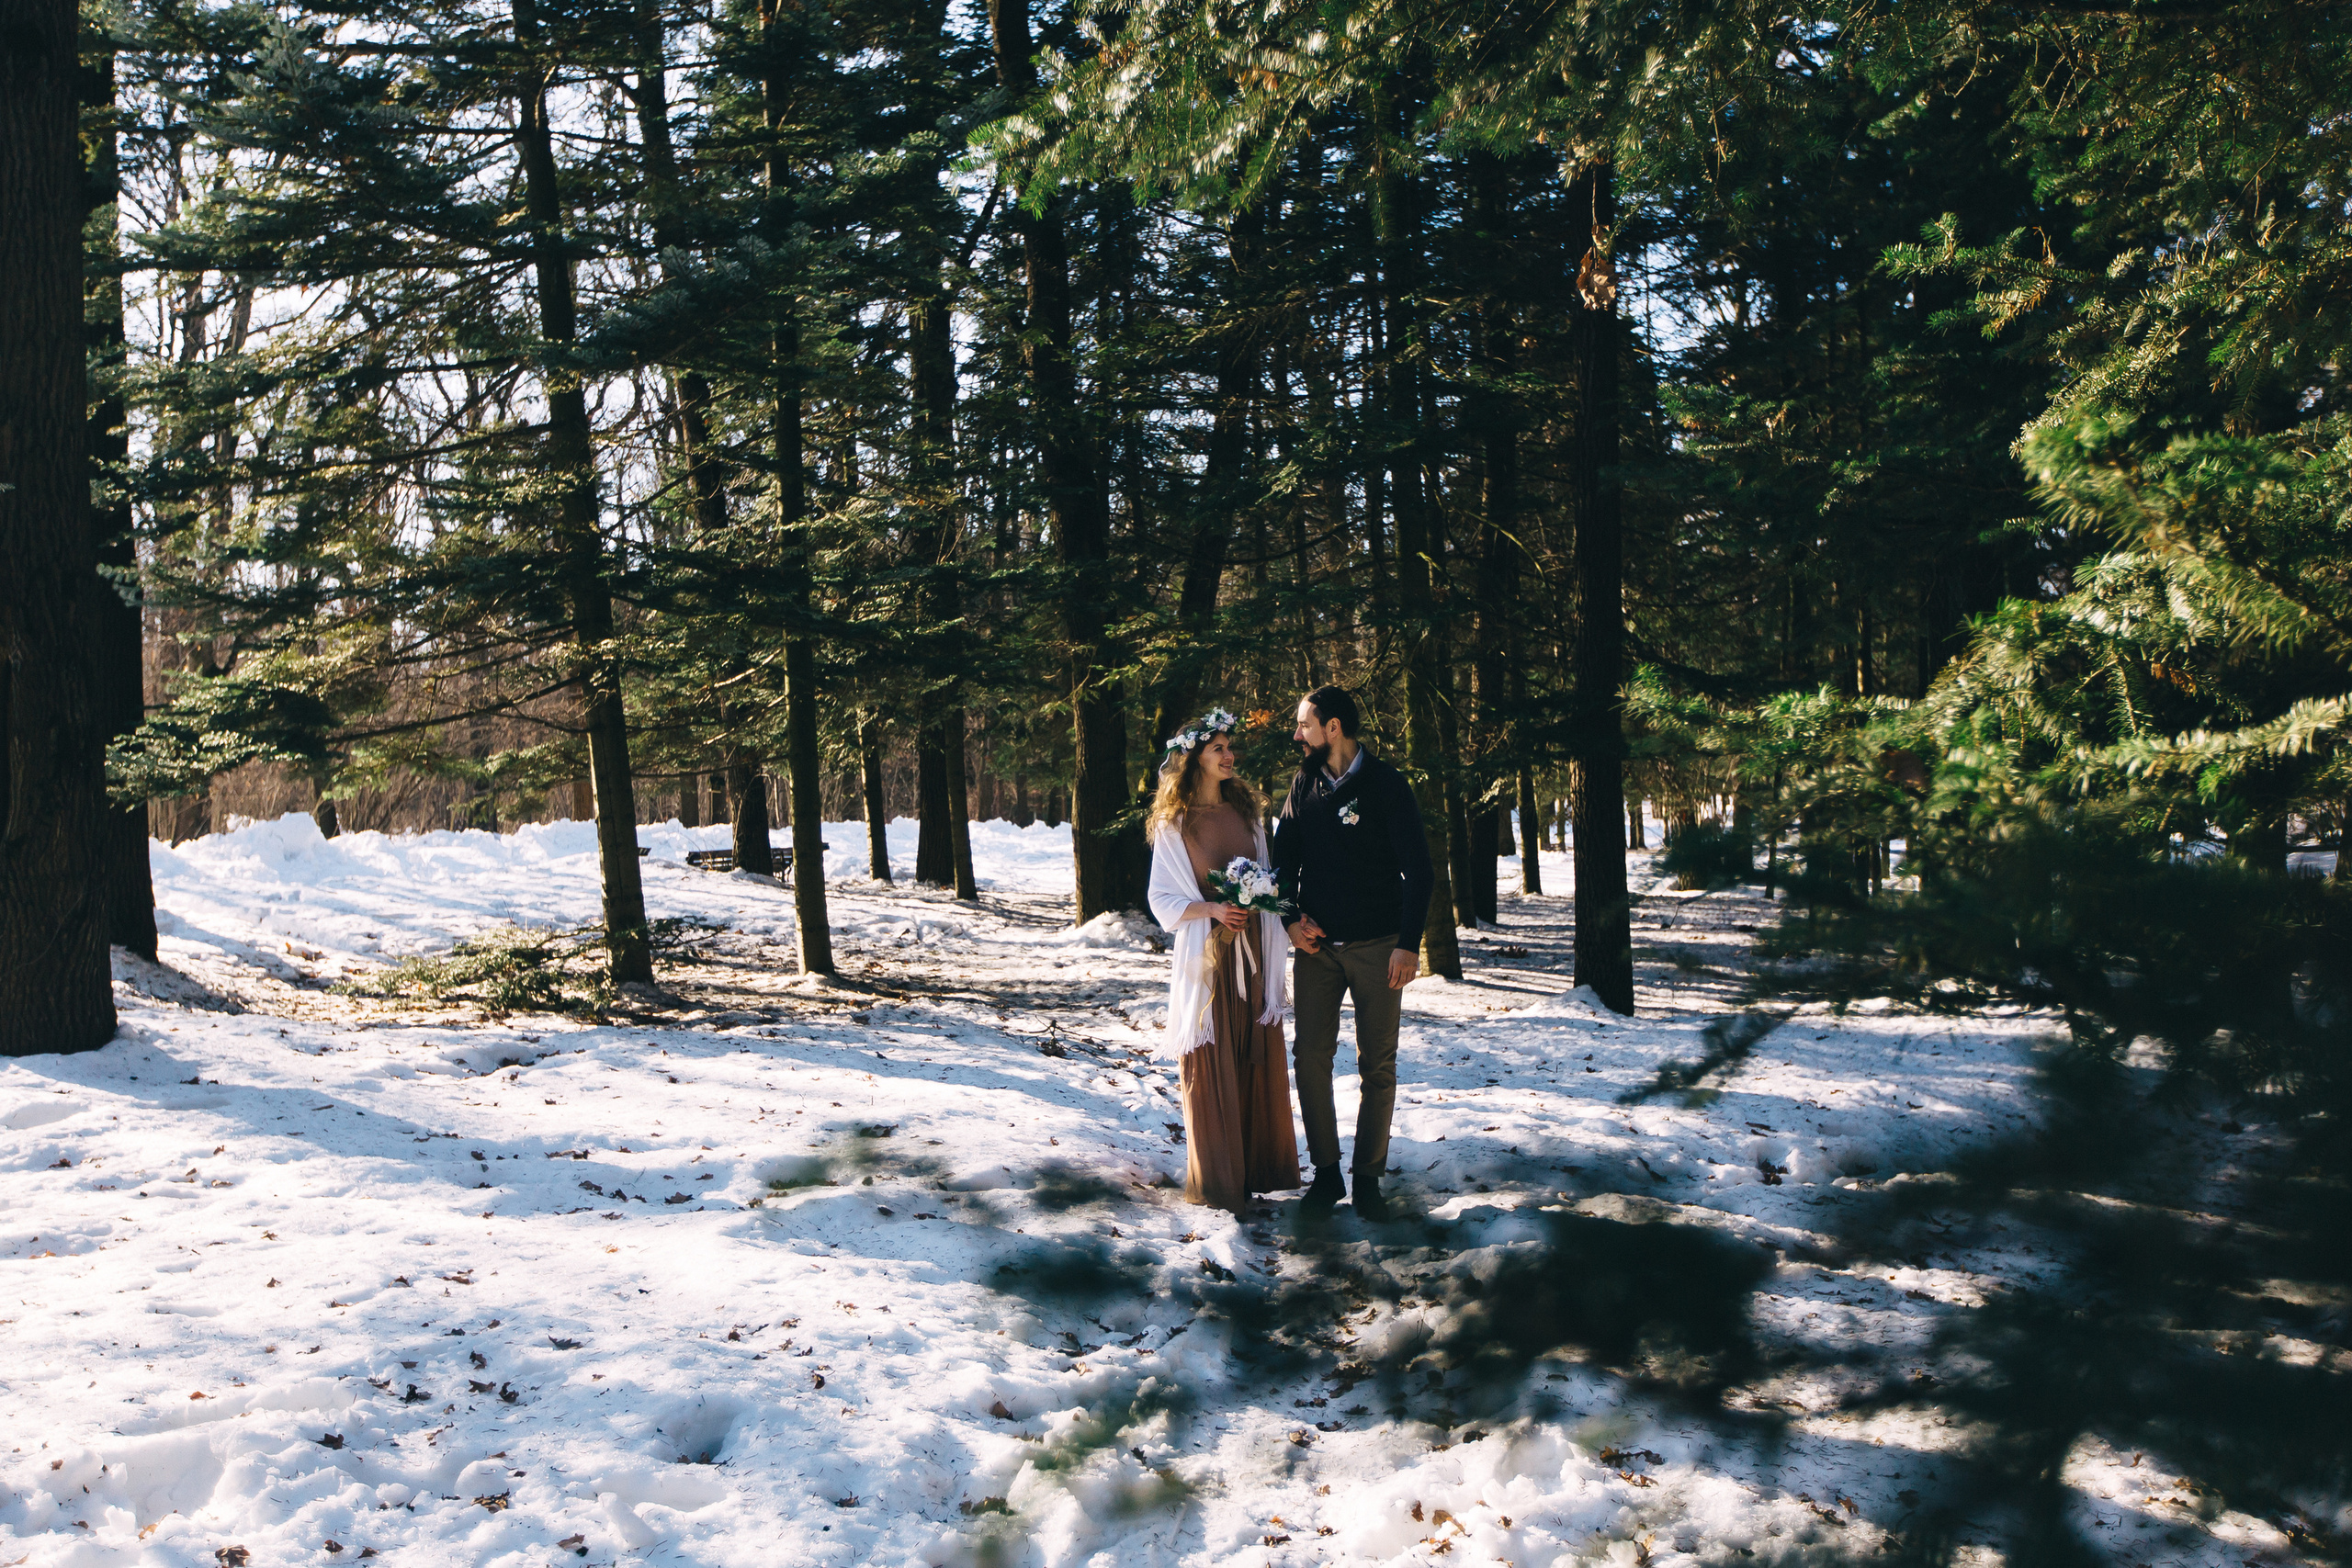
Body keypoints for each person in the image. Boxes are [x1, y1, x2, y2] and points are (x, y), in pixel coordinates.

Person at [1270, 686, 1433, 1221]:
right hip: (1317, 952)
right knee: (1310, 1059)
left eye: (1304, 726)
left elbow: (1420, 871)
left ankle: (1368, 1179)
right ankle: (1326, 1174)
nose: (1297, 735)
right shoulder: (1304, 783)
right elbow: (1282, 860)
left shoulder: (1386, 785)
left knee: (1376, 1065)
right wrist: (1291, 920)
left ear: (1333, 727)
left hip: (1379, 948)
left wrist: (1408, 944)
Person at [1144, 708, 1300, 1212]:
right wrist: (1213, 908)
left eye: (1230, 748)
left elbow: (1269, 875)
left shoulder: (1248, 816)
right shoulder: (1175, 824)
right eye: (1219, 749)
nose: (1230, 756)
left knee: (1252, 1049)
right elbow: (1162, 898)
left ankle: (1258, 1168)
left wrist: (1261, 904)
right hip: (1209, 957)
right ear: (1194, 758)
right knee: (1210, 1054)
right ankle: (1218, 1181)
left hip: (1253, 951)